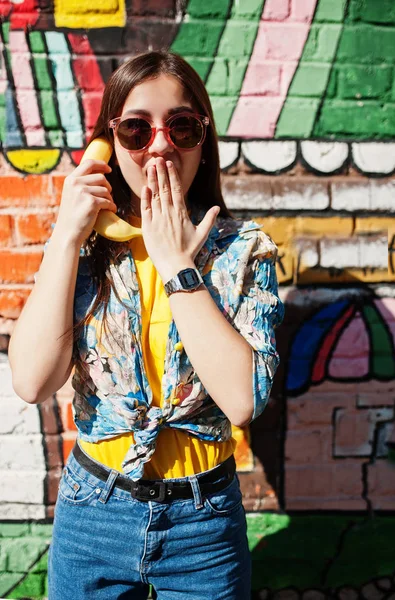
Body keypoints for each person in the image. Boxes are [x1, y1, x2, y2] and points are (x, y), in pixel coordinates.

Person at [8, 51, 284, 599]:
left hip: (203, 526)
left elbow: (243, 401)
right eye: (136, 129)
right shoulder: (85, 251)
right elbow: (32, 383)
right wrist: (65, 236)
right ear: (109, 146)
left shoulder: (242, 251)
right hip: (94, 514)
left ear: (203, 142)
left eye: (180, 126)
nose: (159, 145)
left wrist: (178, 266)